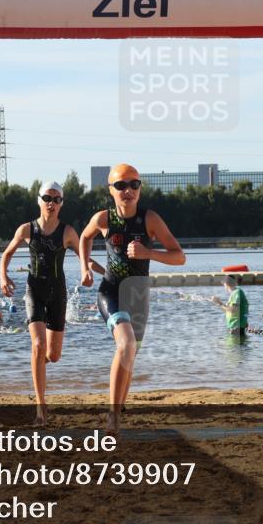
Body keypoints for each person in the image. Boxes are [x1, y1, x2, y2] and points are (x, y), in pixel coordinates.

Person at [80, 163, 186, 436]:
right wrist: (84, 267)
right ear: (111, 190)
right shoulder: (104, 219)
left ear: (139, 188)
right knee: (125, 345)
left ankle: (120, 407)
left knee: (131, 354)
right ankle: (112, 416)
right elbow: (84, 238)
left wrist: (149, 253)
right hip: (112, 292)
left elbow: (179, 256)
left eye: (134, 185)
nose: (128, 191)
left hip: (138, 295)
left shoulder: (149, 219)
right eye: (121, 186)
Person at [0, 181, 104, 425]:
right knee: (37, 344)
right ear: (39, 201)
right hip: (34, 290)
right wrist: (3, 276)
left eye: (57, 199)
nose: (51, 203)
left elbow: (85, 259)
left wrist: (104, 274)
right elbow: (7, 254)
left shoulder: (67, 232)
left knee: (53, 355)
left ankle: (38, 365)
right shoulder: (27, 229)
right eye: (47, 198)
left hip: (57, 292)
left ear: (61, 204)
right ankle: (41, 408)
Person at [212, 275, 249, 340]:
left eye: (224, 285)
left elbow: (233, 310)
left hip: (237, 328)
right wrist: (218, 303)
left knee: (232, 349)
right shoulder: (235, 293)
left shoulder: (237, 293)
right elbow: (228, 311)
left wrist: (220, 303)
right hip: (235, 327)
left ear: (226, 284)